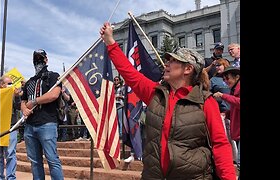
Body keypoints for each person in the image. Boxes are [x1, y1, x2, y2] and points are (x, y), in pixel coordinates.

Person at [100, 22, 236, 179]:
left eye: (173, 61)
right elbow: (129, 73)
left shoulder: (205, 101)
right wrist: (110, 42)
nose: (166, 64)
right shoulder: (155, 94)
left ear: (188, 69)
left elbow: (220, 145)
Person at [20, 49, 64, 179]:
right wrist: (24, 109)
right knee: (35, 162)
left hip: (47, 123)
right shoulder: (29, 81)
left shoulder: (53, 76)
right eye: (36, 58)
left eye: (40, 58)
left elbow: (54, 94)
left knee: (52, 159)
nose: (38, 60)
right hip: (30, 125)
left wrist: (33, 102)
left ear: (46, 59)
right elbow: (23, 101)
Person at [213, 66, 240, 179]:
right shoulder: (234, 90)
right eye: (223, 79)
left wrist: (223, 96)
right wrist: (227, 114)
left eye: (227, 78)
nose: (225, 81)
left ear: (237, 77)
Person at [0, 75, 21, 180]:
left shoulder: (13, 95)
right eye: (9, 84)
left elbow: (18, 107)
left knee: (10, 154)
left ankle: (11, 177)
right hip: (0, 128)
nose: (11, 85)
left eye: (11, 83)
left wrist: (17, 97)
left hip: (11, 128)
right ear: (2, 85)